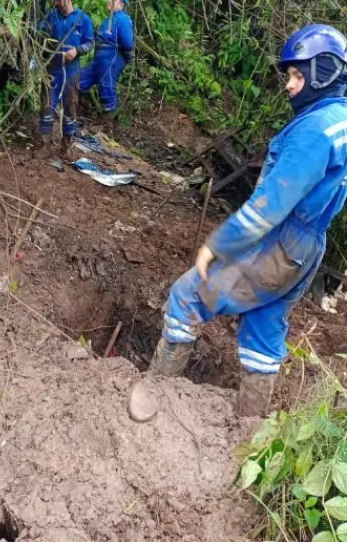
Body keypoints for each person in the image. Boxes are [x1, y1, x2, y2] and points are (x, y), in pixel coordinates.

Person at [145, 24, 347, 417]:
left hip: (281, 241)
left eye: (298, 75)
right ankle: (248, 426)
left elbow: (267, 209)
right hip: (306, 249)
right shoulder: (340, 119)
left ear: (324, 72)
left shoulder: (314, 132)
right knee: (264, 322)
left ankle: (154, 396)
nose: (290, 85)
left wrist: (217, 245)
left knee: (187, 296)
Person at [34, 0, 94, 156]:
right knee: (47, 105)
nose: (55, 1)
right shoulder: (51, 17)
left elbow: (90, 43)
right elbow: (38, 33)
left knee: (70, 106)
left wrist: (77, 50)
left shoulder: (83, 19)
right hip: (52, 69)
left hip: (72, 70)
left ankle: (66, 146)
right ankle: (45, 145)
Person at [79, 0, 134, 116]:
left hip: (111, 60)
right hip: (98, 60)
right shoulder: (107, 20)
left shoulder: (123, 19)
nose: (109, 0)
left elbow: (127, 44)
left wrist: (122, 59)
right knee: (79, 81)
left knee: (106, 90)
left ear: (120, 2)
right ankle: (76, 109)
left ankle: (109, 125)